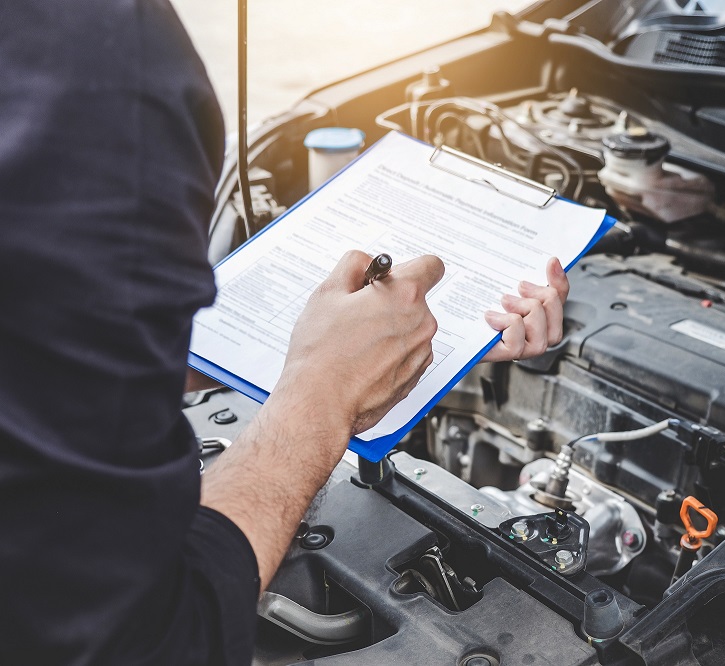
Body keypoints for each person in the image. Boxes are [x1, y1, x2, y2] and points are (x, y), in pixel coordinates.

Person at [0, 1, 569, 663]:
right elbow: (132, 640)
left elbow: (40, 357)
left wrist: (381, 347)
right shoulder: (92, 61)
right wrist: (323, 390)